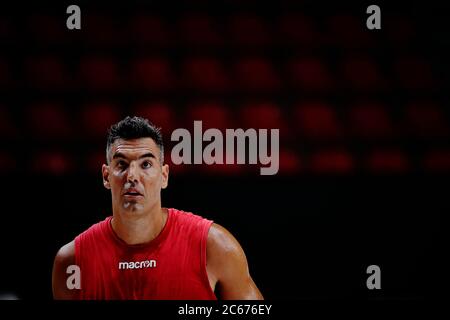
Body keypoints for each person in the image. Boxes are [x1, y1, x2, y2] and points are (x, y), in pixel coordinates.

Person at [52, 116, 263, 300]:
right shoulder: (72, 261)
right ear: (106, 176)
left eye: (145, 164)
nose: (132, 176)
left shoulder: (215, 246)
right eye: (122, 164)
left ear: (164, 176)